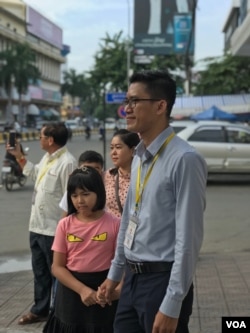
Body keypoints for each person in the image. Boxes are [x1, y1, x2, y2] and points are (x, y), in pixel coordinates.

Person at [98, 70, 207, 333]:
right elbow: (128, 220)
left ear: (160, 106)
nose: (127, 109)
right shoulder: (138, 157)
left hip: (161, 281)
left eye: (135, 101)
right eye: (126, 102)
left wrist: (172, 302)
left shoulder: (184, 159)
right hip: (132, 279)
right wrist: (115, 273)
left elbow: (188, 238)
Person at [7, 122, 77, 325]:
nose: (39, 140)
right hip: (37, 226)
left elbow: (71, 199)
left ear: (50, 140)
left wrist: (65, 228)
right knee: (40, 272)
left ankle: (59, 312)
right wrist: (19, 156)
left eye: (41, 136)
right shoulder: (48, 158)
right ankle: (40, 310)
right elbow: (33, 173)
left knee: (57, 273)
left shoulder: (67, 162)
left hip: (53, 229)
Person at [43, 167, 120, 333]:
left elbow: (122, 264)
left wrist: (116, 291)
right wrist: (82, 290)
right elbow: (57, 267)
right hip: (71, 292)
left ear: (99, 193)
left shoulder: (115, 224)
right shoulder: (64, 225)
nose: (80, 200)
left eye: (85, 194)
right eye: (74, 195)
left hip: (104, 292)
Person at [104, 129, 140, 218]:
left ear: (132, 150)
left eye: (118, 147)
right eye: (112, 148)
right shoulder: (107, 175)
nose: (113, 152)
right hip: (111, 231)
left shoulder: (143, 177)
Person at [59, 150, 104, 216]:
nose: (91, 174)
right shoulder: (74, 189)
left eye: (95, 169)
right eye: (86, 169)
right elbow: (66, 213)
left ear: (102, 170)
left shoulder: (109, 188)